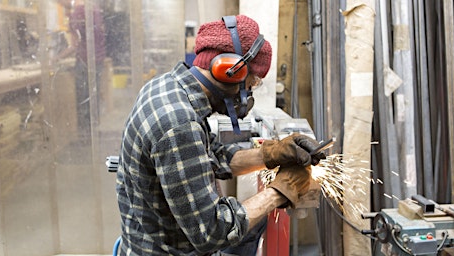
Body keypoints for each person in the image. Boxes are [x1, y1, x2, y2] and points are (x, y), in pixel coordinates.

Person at [115, 15, 325, 256]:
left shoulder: (168, 87)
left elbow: (215, 156)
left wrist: (272, 153)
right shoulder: (180, 124)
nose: (250, 91)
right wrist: (281, 190)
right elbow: (212, 232)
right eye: (252, 82)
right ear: (230, 72)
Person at [53, 0, 107, 140]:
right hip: (98, 59)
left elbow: (75, 45)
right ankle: (93, 131)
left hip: (84, 62)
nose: (59, 5)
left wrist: (56, 58)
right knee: (93, 97)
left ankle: (85, 136)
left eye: (59, 2)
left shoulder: (77, 13)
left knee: (83, 99)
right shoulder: (94, 8)